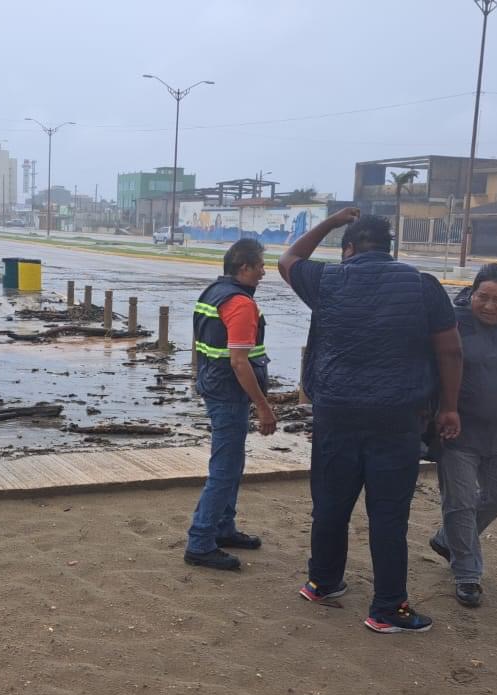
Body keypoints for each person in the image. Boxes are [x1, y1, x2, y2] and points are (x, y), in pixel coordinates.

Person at [278, 210, 463, 633]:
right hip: (395, 418)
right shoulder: (421, 285)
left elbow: (288, 260)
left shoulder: (327, 281)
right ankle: (387, 608)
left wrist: (328, 222)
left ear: (348, 250)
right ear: (389, 250)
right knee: (388, 515)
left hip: (335, 415)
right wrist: (449, 407)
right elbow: (450, 351)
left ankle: (321, 583)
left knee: (329, 505)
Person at [429, 263, 497, 608]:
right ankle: (467, 575)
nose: (489, 306)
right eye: (482, 297)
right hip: (459, 430)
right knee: (460, 503)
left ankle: (448, 539)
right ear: (472, 293)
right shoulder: (453, 322)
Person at [184, 238, 277, 571]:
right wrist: (263, 407)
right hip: (228, 391)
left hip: (214, 383)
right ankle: (200, 541)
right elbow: (240, 362)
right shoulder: (240, 304)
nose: (264, 273)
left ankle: (223, 528)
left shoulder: (212, 293)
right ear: (244, 268)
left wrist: (200, 379)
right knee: (224, 469)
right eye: (261, 267)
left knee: (232, 462)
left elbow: (199, 344)